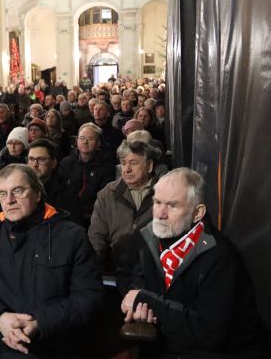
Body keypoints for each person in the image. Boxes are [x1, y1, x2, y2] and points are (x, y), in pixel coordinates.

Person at [0, 164, 103, 358]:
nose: (10, 200)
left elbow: (89, 297)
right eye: (2, 194)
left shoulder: (72, 236)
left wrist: (40, 322)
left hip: (52, 345)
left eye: (17, 191)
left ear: (38, 193)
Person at [118, 168, 264, 358]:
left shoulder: (220, 257)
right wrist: (137, 303)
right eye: (157, 202)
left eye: (172, 205)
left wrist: (147, 301)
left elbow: (212, 333)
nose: (160, 214)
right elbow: (129, 275)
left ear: (197, 213)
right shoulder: (145, 235)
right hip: (159, 345)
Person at [88, 139, 159, 272]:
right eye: (123, 163)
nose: (127, 169)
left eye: (133, 163)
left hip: (155, 270)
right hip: (117, 268)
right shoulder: (108, 193)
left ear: (149, 166)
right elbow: (96, 237)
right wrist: (92, 268)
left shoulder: (165, 193)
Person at [58, 122, 115, 228]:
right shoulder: (66, 163)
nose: (85, 142)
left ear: (98, 143)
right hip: (67, 215)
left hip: (94, 216)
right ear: (76, 141)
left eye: (90, 138)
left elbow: (104, 196)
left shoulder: (106, 165)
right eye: (82, 138)